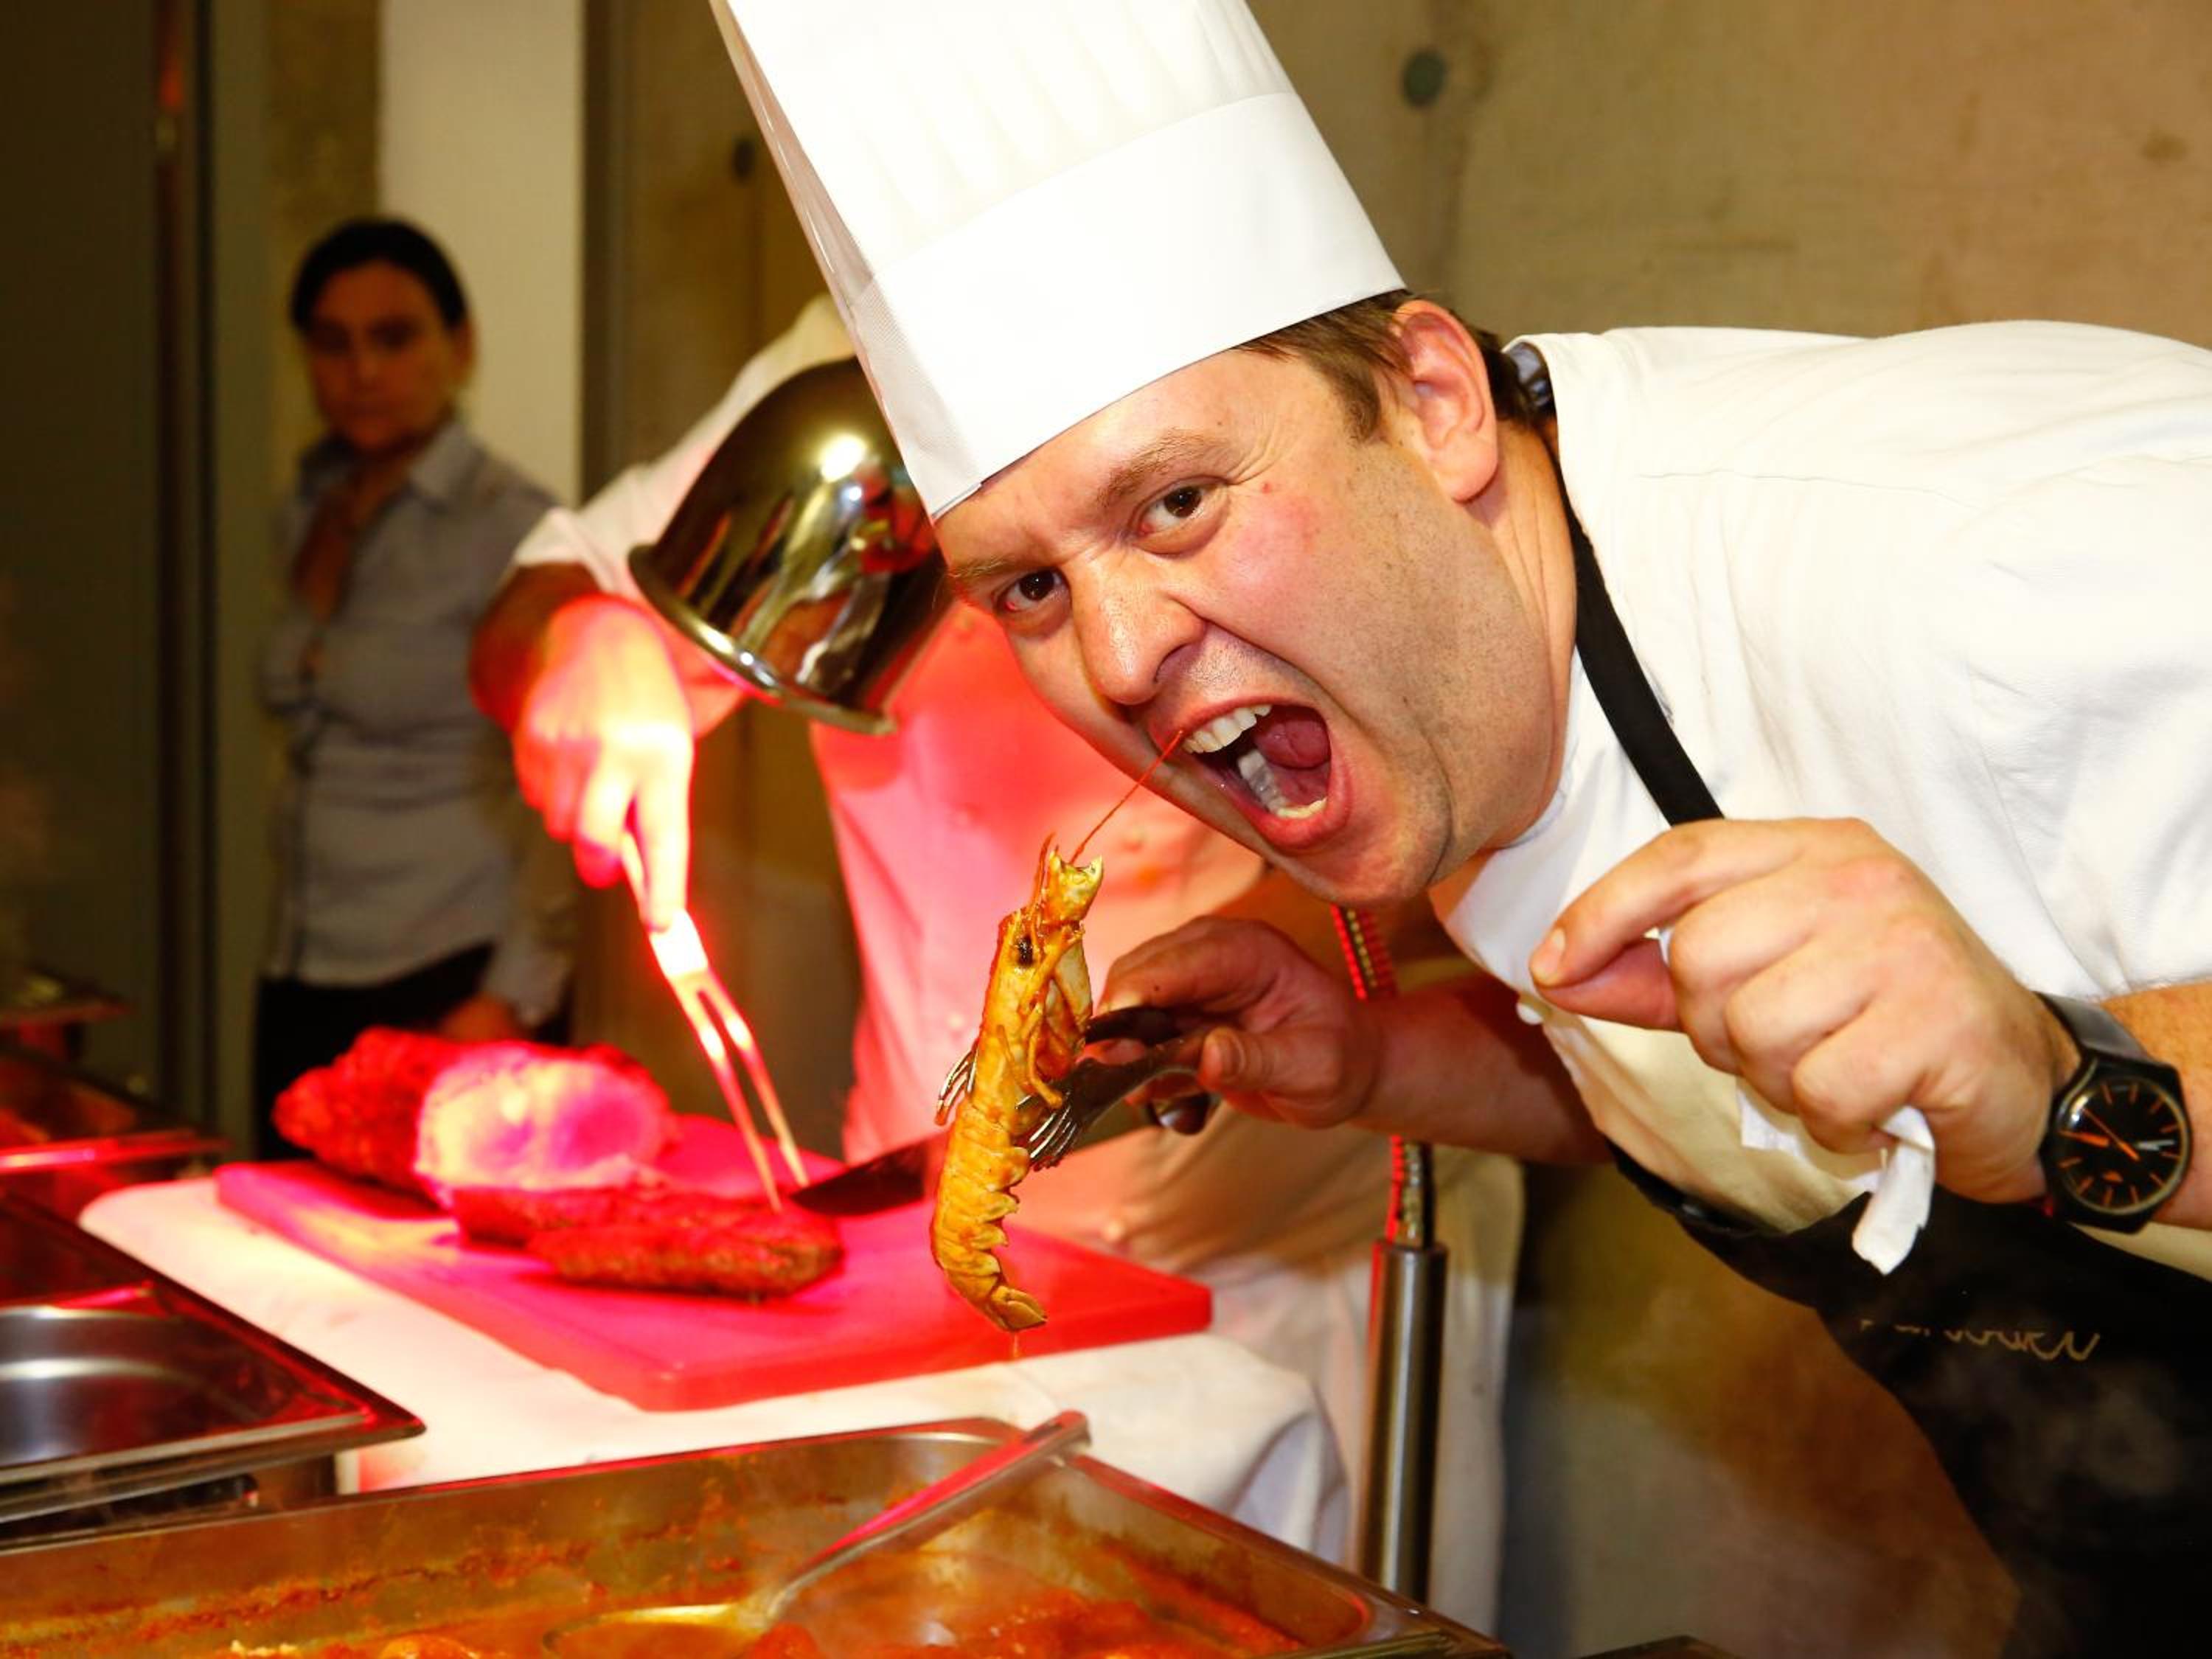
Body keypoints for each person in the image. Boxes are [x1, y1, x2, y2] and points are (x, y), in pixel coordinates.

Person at [717, 0, 2212, 1649]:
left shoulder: (2003, 574)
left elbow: (2047, 1088)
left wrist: (2078, 1095)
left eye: (1179, 503)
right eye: (1029, 588)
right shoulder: (1461, 684)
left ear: (1431, 398)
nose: (1122, 657)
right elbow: (1745, 1091)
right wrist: (1383, 1063)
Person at [466, 295, 1526, 1628]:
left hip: (1290, 1259)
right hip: (921, 1260)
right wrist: (587, 643)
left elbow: (1491, 764)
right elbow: (539, 594)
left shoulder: (1256, 336)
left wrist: (1297, 931)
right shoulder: (838, 379)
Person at [254, 217, 575, 1158]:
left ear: (459, 346)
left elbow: (562, 785)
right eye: (332, 343)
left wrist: (513, 993)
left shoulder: (513, 529)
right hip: (305, 960)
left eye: (393, 339)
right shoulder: (309, 507)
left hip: (449, 974)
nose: (361, 371)